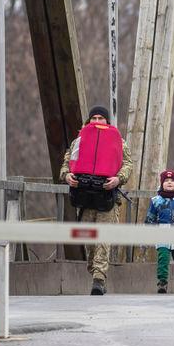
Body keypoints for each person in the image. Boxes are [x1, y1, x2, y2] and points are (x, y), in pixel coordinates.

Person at [59, 105, 132, 295]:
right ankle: (94, 269)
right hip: (84, 198)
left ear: (107, 121)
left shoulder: (119, 142)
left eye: (101, 118)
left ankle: (99, 278)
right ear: (89, 121)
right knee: (89, 241)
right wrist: (67, 177)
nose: (98, 122)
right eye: (95, 118)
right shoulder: (79, 141)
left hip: (107, 197)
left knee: (103, 238)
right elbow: (66, 164)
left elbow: (127, 165)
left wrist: (118, 179)